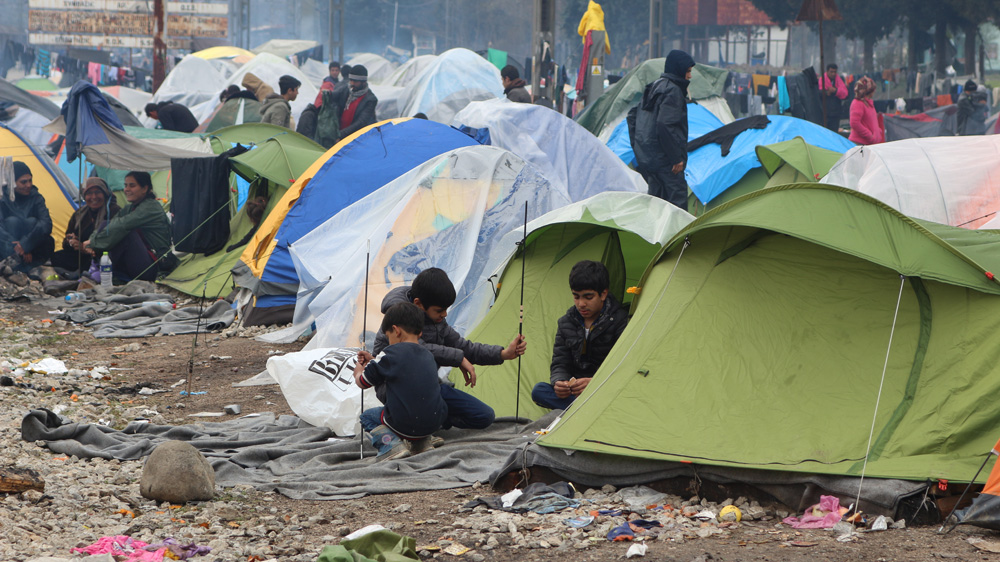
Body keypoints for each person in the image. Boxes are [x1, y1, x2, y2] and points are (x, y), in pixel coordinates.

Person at [372, 267, 526, 431]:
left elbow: (463, 346)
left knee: (484, 416)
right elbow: (416, 349)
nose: (445, 314)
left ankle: (431, 422)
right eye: (440, 310)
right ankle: (388, 418)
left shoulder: (437, 321)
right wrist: (458, 358)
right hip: (398, 390)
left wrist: (503, 354)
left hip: (430, 387)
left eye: (446, 309)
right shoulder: (396, 318)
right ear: (418, 304)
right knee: (418, 412)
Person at [354, 302, 448, 461]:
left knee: (367, 417)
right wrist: (374, 360)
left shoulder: (390, 353)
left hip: (404, 424)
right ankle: (422, 442)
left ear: (396, 330)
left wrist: (358, 370)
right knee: (418, 407)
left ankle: (390, 445)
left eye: (388, 336)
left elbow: (363, 382)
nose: (389, 341)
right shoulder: (428, 355)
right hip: (434, 422)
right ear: (419, 333)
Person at [531, 261, 628, 411]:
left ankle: (581, 409)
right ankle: (586, 410)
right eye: (576, 297)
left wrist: (594, 382)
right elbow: (560, 363)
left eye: (588, 297)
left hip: (604, 388)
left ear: (603, 294)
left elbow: (624, 365)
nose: (581, 304)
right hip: (575, 392)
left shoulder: (620, 320)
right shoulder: (566, 322)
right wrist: (560, 382)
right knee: (539, 391)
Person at [631, 49, 694, 211]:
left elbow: (632, 116)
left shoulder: (654, 86)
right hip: (668, 163)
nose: (690, 76)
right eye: (687, 71)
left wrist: (639, 149)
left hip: (650, 161)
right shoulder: (673, 91)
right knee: (677, 208)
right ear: (679, 70)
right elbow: (665, 125)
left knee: (656, 206)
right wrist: (676, 158)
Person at [84, 171, 173, 282]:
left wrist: (93, 243)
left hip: (154, 266)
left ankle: (102, 269)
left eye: (132, 185)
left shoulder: (151, 207)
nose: (126, 189)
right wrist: (91, 240)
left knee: (127, 233)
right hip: (137, 262)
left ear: (144, 188)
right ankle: (98, 267)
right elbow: (112, 223)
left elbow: (123, 224)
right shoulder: (130, 208)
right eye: (126, 185)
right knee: (106, 224)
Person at [51, 177, 120, 274]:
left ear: (105, 193)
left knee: (100, 259)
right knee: (56, 256)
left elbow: (112, 241)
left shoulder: (113, 211)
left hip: (102, 255)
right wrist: (70, 241)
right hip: (82, 256)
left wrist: (86, 248)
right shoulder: (80, 214)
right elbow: (66, 242)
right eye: (89, 193)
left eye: (97, 192)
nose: (94, 197)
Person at [0, 161, 54, 274]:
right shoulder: (2, 199)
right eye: (23, 182)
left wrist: (26, 245)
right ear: (12, 183)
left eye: (30, 180)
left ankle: (31, 267)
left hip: (32, 248)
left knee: (33, 223)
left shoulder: (36, 198)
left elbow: (46, 224)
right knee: (12, 222)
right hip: (9, 248)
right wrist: (17, 247)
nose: (28, 185)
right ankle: (12, 265)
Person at [335, 64, 378, 140]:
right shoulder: (347, 91)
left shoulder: (370, 99)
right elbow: (334, 95)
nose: (352, 83)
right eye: (351, 80)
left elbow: (360, 122)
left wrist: (340, 135)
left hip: (357, 139)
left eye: (355, 81)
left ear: (363, 82)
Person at [848, 76, 883, 145]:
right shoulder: (857, 103)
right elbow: (854, 123)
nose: (874, 92)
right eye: (873, 90)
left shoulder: (869, 103)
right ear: (868, 91)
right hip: (860, 144)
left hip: (869, 144)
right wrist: (870, 136)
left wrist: (878, 132)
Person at [818, 63, 847, 132]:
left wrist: (835, 91)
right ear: (827, 71)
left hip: (835, 113)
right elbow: (818, 93)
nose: (833, 74)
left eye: (835, 72)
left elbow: (845, 93)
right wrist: (826, 92)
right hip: (824, 114)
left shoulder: (839, 80)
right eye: (831, 72)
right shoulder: (822, 80)